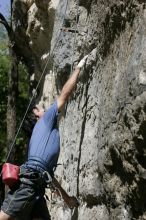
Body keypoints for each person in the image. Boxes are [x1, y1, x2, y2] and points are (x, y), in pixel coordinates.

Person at [0, 55, 88, 220]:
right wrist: (79, 67)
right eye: (41, 107)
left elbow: (47, 174)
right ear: (36, 112)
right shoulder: (46, 119)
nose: (46, 107)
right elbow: (64, 95)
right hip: (29, 183)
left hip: (37, 186)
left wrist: (67, 198)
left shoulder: (39, 138)